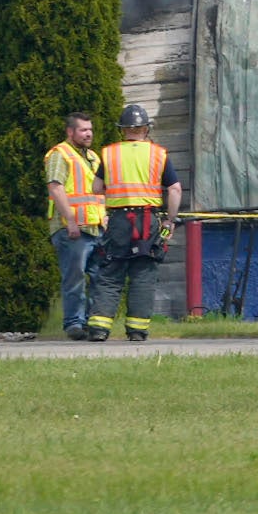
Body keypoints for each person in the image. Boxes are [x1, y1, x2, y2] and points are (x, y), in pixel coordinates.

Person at [91, 102, 178, 341]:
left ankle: (99, 328)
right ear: (146, 129)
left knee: (111, 270)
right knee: (143, 272)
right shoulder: (159, 154)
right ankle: (137, 331)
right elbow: (175, 189)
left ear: (123, 129)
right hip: (148, 220)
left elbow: (96, 187)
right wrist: (169, 221)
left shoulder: (109, 153)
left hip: (119, 219)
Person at [44, 111, 107, 340]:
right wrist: (70, 220)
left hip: (96, 227)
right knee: (75, 277)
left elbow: (101, 192)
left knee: (100, 277)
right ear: (70, 132)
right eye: (83, 130)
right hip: (72, 229)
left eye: (90, 129)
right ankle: (74, 323)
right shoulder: (60, 154)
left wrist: (106, 218)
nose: (88, 133)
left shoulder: (93, 157)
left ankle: (94, 323)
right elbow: (55, 187)